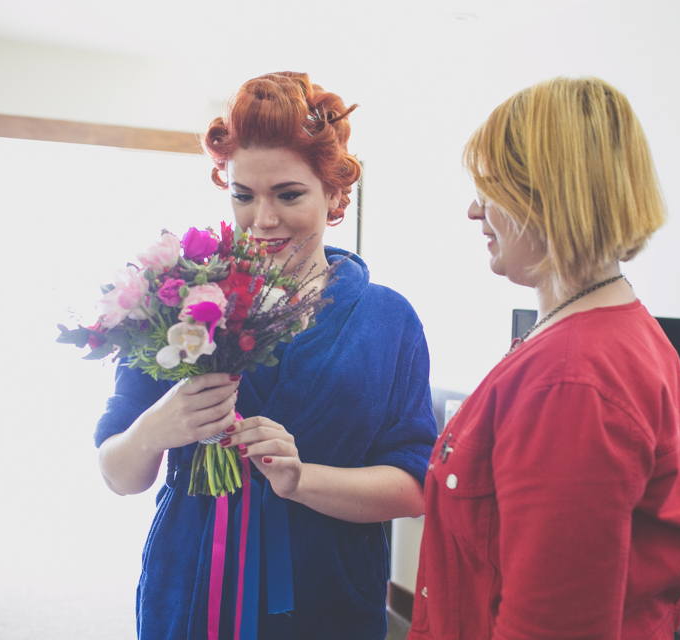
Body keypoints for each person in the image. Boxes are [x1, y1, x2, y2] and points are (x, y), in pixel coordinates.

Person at [95, 72, 438, 640]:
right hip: (190, 587)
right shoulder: (178, 300)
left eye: (288, 194)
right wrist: (157, 428)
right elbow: (117, 473)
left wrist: (302, 479)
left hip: (328, 596)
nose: (263, 220)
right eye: (243, 195)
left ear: (333, 195)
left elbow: (414, 485)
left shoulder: (387, 319)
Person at [409, 77, 680, 639]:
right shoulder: (613, 335)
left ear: (544, 196)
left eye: (489, 189)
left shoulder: (571, 378)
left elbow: (550, 626)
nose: (474, 210)